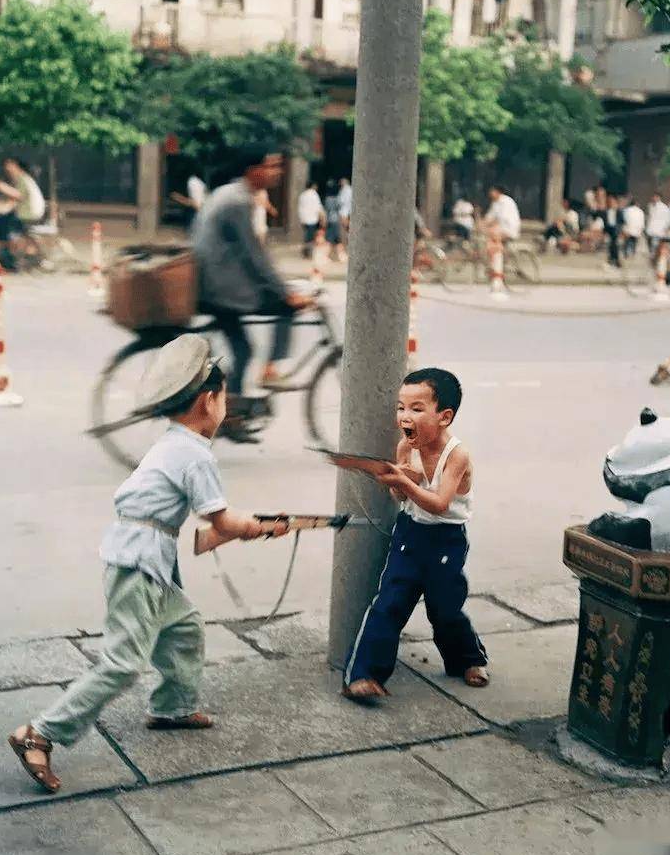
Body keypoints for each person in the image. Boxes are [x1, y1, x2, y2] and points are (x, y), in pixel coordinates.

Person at [7, 336, 288, 794]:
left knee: (183, 628)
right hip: (139, 561)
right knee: (122, 663)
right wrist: (257, 526)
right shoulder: (196, 454)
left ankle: (172, 707)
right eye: (224, 398)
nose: (225, 406)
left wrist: (248, 527)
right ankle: (39, 733)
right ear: (208, 401)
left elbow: (208, 527)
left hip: (143, 555)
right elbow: (222, 520)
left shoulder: (175, 441)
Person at [343, 368, 488, 702]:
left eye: (417, 409)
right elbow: (404, 500)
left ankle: (468, 659)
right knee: (388, 603)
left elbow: (439, 504)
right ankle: (364, 675)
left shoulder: (457, 455)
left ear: (444, 417)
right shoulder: (405, 447)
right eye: (401, 407)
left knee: (445, 609)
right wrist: (400, 483)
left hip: (446, 540)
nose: (404, 417)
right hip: (409, 533)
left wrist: (404, 482)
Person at [193, 147, 312, 434]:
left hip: (212, 281)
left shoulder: (229, 194)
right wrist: (285, 292)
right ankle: (270, 369)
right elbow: (253, 257)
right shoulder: (238, 202)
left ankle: (229, 413)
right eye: (271, 166)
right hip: (221, 287)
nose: (276, 172)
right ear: (252, 170)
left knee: (243, 350)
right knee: (285, 305)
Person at [0, 158, 45, 270]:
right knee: (1, 222)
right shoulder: (23, 179)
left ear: (17, 166)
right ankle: (8, 254)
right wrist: (2, 206)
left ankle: (8, 256)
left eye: (10, 166)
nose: (8, 169)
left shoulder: (22, 179)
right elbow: (14, 201)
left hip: (28, 214)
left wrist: (2, 187)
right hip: (28, 213)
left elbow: (18, 196)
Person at [297, 181, 324, 258]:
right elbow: (318, 207)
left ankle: (306, 252)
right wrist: (322, 218)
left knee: (307, 235)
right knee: (311, 237)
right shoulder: (314, 194)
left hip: (304, 219)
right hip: (312, 219)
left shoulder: (302, 195)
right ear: (313, 186)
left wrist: (301, 218)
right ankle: (307, 252)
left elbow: (300, 208)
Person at [323, 180, 346, 262]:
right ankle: (340, 255)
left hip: (330, 220)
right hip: (336, 220)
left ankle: (339, 255)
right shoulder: (337, 198)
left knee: (332, 238)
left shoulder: (327, 199)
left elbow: (326, 210)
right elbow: (339, 208)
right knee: (335, 238)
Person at [645, 191, 670, 257]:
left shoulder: (664, 207)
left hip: (659, 229)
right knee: (651, 243)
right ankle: (653, 254)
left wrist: (665, 228)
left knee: (655, 244)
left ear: (659, 198)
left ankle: (654, 255)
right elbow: (650, 217)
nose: (654, 198)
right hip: (651, 228)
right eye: (653, 197)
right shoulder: (650, 205)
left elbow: (667, 219)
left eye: (656, 197)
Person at [601, 192, 622, 269]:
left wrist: (620, 230)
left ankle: (614, 260)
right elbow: (603, 222)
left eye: (612, 201)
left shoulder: (618, 211)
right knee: (611, 245)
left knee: (614, 244)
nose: (611, 203)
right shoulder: (605, 212)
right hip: (608, 229)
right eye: (609, 201)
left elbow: (621, 221)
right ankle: (614, 260)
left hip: (615, 229)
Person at [621, 193, 645, 259]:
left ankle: (626, 254)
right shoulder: (640, 211)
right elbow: (641, 222)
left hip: (628, 230)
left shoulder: (626, 210)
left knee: (627, 242)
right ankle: (632, 253)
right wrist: (641, 230)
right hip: (636, 231)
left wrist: (624, 229)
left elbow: (624, 220)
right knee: (633, 242)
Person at [338, 177, 353, 241]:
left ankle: (347, 239)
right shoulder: (344, 189)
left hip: (345, 210)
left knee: (346, 226)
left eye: (341, 182)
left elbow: (345, 201)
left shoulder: (347, 189)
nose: (340, 183)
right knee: (344, 226)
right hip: (344, 210)